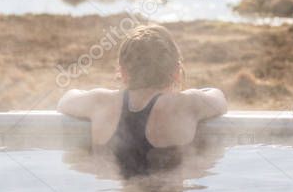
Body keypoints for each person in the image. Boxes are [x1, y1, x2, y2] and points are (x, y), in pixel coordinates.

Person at [57, 23, 228, 176]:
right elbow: (218, 98)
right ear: (176, 72)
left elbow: (65, 100)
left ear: (123, 72)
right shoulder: (186, 104)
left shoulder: (100, 101)